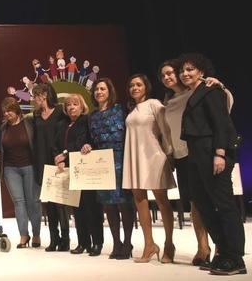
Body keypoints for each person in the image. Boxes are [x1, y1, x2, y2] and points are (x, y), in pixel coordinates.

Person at [178, 53, 245, 275]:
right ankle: (223, 252)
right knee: (204, 204)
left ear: (202, 71)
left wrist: (220, 153)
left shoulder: (211, 91)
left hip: (212, 152)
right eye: (183, 70)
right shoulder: (194, 93)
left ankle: (235, 258)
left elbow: (221, 123)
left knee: (224, 204)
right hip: (196, 155)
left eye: (190, 69)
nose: (185, 73)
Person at [159, 60, 227, 267]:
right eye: (163, 75)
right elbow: (168, 132)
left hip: (200, 152)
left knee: (209, 202)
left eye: (171, 73)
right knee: (195, 203)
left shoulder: (199, 91)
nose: (167, 78)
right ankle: (202, 247)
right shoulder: (168, 102)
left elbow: (225, 106)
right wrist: (169, 154)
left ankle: (221, 247)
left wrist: (219, 85)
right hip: (180, 156)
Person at [122, 74, 176, 263]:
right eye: (131, 85)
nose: (134, 88)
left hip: (154, 157)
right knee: (139, 199)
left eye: (138, 84)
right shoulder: (131, 109)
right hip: (135, 158)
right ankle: (149, 244)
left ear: (146, 87)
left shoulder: (154, 104)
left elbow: (166, 130)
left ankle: (169, 244)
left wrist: (169, 154)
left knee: (162, 200)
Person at [87, 78, 135, 260]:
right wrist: (87, 146)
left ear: (109, 91)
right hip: (102, 162)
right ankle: (116, 243)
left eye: (102, 89)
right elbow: (90, 140)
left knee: (124, 202)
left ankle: (128, 242)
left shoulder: (120, 109)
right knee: (108, 205)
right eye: (96, 89)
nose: (99, 92)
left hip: (121, 158)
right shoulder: (92, 115)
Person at [54, 94, 104, 256]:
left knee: (92, 208)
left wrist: (68, 153)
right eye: (68, 105)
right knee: (78, 208)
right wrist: (58, 158)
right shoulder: (62, 124)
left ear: (82, 106)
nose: (71, 107)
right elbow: (56, 146)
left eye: (75, 104)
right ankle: (83, 242)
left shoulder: (86, 120)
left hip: (86, 168)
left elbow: (85, 141)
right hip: (70, 170)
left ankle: (97, 242)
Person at [32, 83, 70, 252]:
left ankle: (65, 239)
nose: (34, 99)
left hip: (58, 160)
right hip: (41, 162)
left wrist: (65, 155)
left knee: (60, 202)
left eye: (36, 95)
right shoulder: (36, 115)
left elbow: (68, 134)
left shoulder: (61, 111)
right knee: (48, 203)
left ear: (45, 95)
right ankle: (54, 239)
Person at [0, 97, 41, 249]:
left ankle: (36, 234)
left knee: (33, 202)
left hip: (29, 166)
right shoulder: (3, 127)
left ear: (17, 111)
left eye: (9, 110)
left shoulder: (28, 123)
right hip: (10, 169)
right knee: (18, 202)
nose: (6, 113)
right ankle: (24, 235)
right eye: (4, 111)